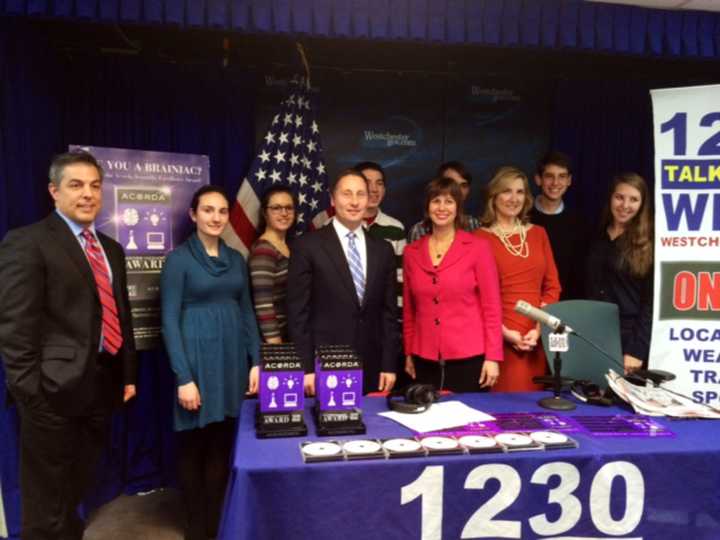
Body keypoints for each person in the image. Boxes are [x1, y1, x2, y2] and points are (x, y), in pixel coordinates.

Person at [0, 150, 137, 540]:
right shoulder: (27, 243)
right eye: (76, 185)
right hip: (50, 393)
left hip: (100, 390)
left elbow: (120, 314)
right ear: (54, 191)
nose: (88, 194)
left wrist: (127, 375)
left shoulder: (110, 248)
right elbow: (14, 327)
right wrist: (31, 394)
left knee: (77, 492)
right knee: (45, 508)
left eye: (95, 185)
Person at [161, 185, 260, 540]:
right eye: (208, 210)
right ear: (193, 215)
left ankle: (219, 522)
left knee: (222, 442)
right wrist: (183, 377)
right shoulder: (179, 260)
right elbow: (169, 321)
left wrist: (256, 361)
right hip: (197, 362)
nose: (216, 217)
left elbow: (248, 313)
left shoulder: (236, 259)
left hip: (231, 360)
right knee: (195, 444)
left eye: (221, 211)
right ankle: (196, 527)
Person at [287, 169, 399, 395]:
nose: (355, 201)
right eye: (347, 194)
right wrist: (305, 366)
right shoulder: (307, 246)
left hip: (372, 367)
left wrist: (389, 364)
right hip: (324, 367)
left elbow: (388, 314)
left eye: (361, 194)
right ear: (332, 198)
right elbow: (298, 313)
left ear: (369, 200)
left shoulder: (383, 249)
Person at [403, 177, 503, 392]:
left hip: (469, 358)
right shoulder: (411, 252)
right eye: (436, 201)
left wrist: (493, 357)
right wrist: (409, 353)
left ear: (458, 207)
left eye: (449, 201)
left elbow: (492, 307)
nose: (442, 208)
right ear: (427, 206)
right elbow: (410, 310)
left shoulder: (478, 248)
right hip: (424, 358)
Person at [476, 166, 561, 392]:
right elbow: (476, 295)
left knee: (532, 411)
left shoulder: (539, 234)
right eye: (507, 191)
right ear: (493, 197)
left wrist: (538, 327)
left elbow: (553, 287)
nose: (514, 199)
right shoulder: (478, 239)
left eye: (520, 192)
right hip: (498, 339)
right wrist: (503, 333)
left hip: (535, 338)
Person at [586, 173, 653, 374]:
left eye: (633, 199)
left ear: (642, 205)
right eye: (619, 197)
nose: (625, 205)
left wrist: (637, 350)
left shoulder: (649, 243)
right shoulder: (595, 235)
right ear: (610, 198)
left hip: (628, 340)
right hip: (592, 334)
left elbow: (651, 303)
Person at [529, 151, 587, 299]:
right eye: (549, 176)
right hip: (529, 306)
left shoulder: (580, 223)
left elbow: (580, 274)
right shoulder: (523, 219)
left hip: (567, 307)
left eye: (562, 176)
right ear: (538, 179)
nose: (555, 183)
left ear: (569, 180)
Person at [355, 161, 406, 313]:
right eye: (367, 183)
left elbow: (399, 278)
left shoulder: (395, 228)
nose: (373, 189)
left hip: (382, 315)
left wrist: (396, 319)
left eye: (379, 184)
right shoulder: (334, 226)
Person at [248, 187, 297, 343]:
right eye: (276, 208)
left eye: (289, 207)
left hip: (291, 336)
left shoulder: (290, 246)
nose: (284, 213)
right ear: (264, 213)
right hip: (275, 342)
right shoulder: (264, 250)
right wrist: (276, 347)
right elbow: (263, 305)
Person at [407, 161, 481, 242]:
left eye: (463, 185)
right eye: (451, 184)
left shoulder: (474, 224)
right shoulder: (419, 230)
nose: (458, 190)